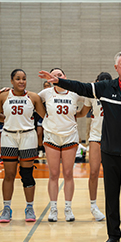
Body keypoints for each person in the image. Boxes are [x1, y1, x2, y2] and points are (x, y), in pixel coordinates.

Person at [39, 51, 121, 242]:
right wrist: (59, 81)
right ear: (116, 68)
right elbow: (81, 87)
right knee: (111, 196)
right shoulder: (105, 88)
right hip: (109, 151)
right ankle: (114, 237)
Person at [0, 69, 46, 223]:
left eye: (24, 78)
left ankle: (29, 207)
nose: (21, 81)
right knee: (9, 175)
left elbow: (46, 116)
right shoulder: (4, 96)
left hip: (28, 136)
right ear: (11, 81)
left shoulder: (34, 97)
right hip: (9, 136)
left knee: (27, 174)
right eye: (17, 79)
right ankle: (6, 208)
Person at [38, 68, 82, 223]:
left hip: (70, 136)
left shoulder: (75, 93)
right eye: (54, 75)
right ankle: (53, 208)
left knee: (69, 173)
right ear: (50, 78)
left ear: (65, 77)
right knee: (54, 174)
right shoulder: (45, 93)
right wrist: (8, 91)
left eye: (60, 75)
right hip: (51, 137)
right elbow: (29, 99)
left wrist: (81, 114)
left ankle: (68, 208)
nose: (57, 77)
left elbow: (90, 100)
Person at [75, 72, 112, 222]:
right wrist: (66, 114)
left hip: (113, 138)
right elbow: (83, 113)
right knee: (93, 172)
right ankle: (93, 206)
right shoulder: (92, 95)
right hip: (96, 137)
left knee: (112, 175)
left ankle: (111, 206)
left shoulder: (117, 94)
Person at [35, 81, 51, 158]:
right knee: (39, 133)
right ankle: (40, 149)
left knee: (47, 134)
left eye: (48, 85)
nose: (46, 87)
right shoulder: (41, 95)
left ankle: (46, 150)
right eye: (45, 86)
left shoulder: (52, 95)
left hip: (50, 118)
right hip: (41, 117)